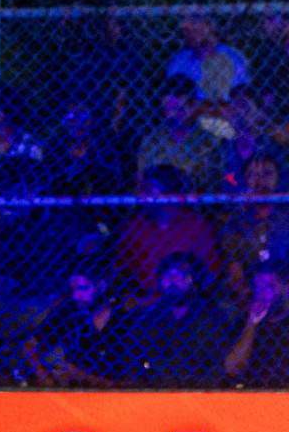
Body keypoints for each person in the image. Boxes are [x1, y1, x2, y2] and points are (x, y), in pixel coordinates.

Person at [115, 164, 220, 299]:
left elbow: (212, 269)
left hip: (188, 299)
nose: (144, 198)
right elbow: (118, 272)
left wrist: (193, 290)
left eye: (151, 191)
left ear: (169, 192)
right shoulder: (133, 227)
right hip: (147, 304)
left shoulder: (193, 223)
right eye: (143, 192)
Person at [21, 262, 132, 387]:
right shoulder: (68, 311)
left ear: (100, 285)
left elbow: (125, 384)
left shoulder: (119, 318)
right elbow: (29, 346)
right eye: (74, 289)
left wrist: (76, 372)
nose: (76, 295)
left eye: (83, 288)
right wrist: (44, 374)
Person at [128, 252, 226, 387]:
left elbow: (220, 366)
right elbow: (132, 366)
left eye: (181, 275)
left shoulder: (213, 316)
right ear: (160, 281)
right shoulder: (145, 319)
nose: (174, 281)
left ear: (193, 280)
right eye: (168, 276)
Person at [217, 154, 289, 299]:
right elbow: (235, 275)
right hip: (253, 293)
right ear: (245, 180)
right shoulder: (236, 223)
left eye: (267, 173)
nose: (260, 180)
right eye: (252, 174)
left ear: (277, 179)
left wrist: (281, 288)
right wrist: (252, 293)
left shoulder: (286, 218)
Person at [136, 77, 222, 187]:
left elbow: (217, 183)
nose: (170, 115)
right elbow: (139, 182)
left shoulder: (210, 139)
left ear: (193, 106)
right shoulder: (151, 140)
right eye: (167, 108)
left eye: (178, 108)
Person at [222, 265, 289, 386]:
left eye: (269, 287)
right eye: (258, 287)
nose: (262, 293)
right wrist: (251, 323)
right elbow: (232, 369)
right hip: (250, 389)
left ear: (280, 290)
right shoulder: (241, 322)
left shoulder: (285, 324)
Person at [166, 18, 249, 101]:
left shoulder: (232, 57)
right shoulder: (179, 62)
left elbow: (241, 96)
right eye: (197, 34)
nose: (188, 27)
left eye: (195, 22)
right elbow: (174, 103)